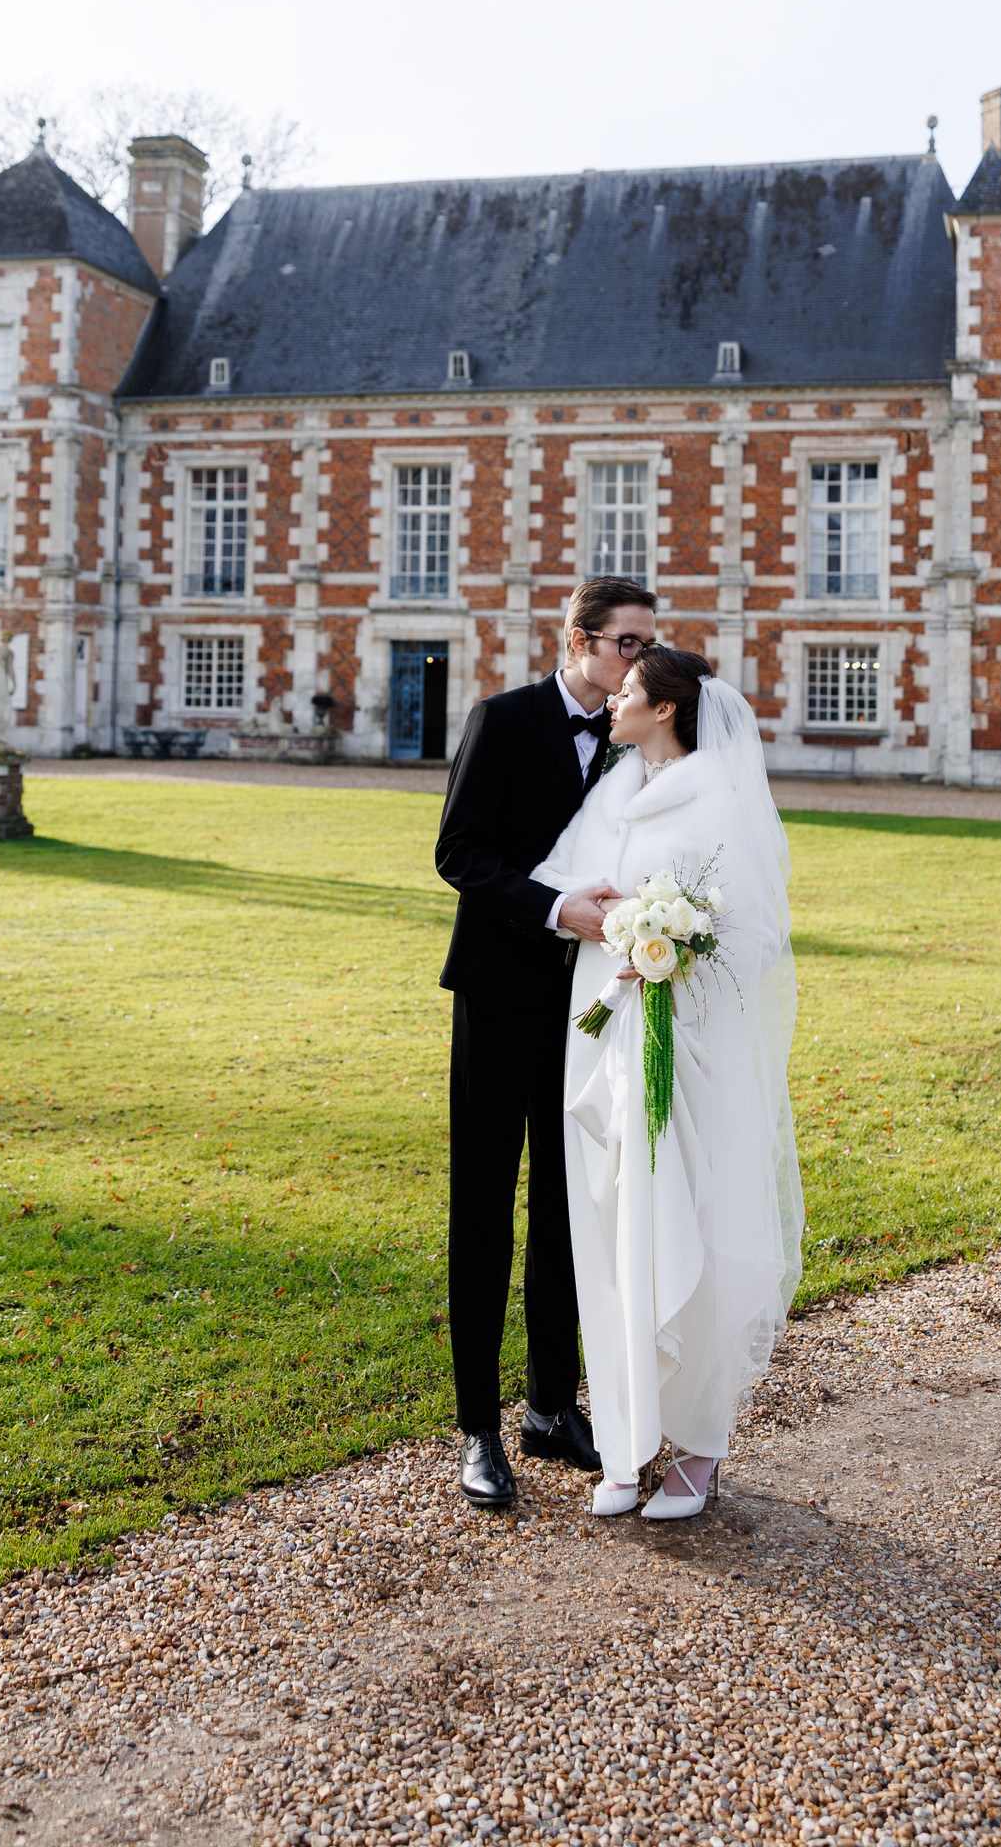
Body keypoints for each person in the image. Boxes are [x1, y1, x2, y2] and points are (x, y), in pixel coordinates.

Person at [531, 646, 803, 1520]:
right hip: (603, 1028)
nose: (614, 702)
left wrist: (676, 945)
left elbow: (755, 935)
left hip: (685, 1044)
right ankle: (624, 1439)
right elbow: (557, 876)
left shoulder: (720, 798)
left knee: (690, 1221)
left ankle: (698, 1448)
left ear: (667, 712)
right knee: (612, 1225)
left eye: (631, 696)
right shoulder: (612, 788)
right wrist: (602, 908)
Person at [434, 576, 657, 1508]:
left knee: (569, 1209)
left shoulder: (633, 736)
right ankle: (479, 1428)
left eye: (647, 646)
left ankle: (549, 1407)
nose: (638, 661)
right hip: (497, 994)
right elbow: (459, 854)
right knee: (484, 1207)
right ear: (577, 641)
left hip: (586, 1008)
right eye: (625, 644)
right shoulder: (500, 718)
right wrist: (555, 908)